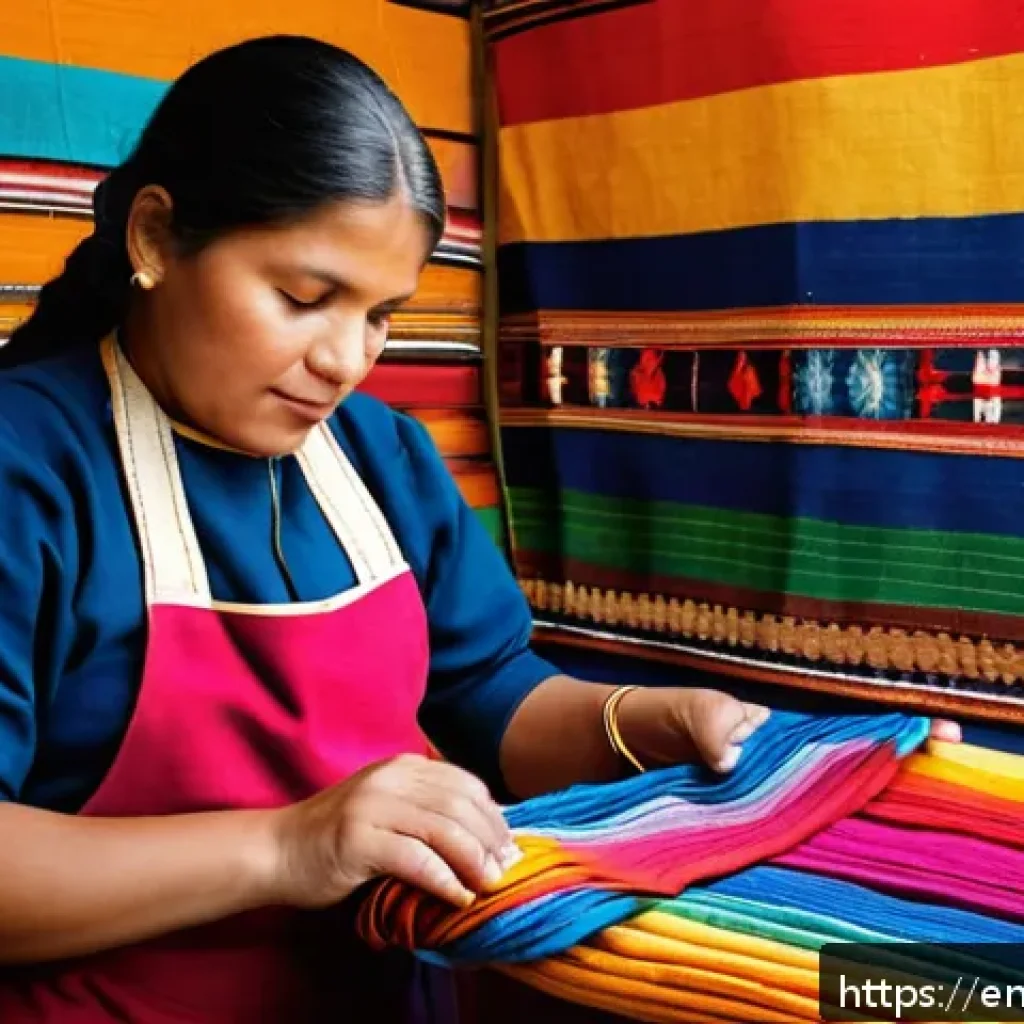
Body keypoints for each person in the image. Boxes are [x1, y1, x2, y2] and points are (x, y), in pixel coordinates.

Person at [0, 35, 960, 1024]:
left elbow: (491, 699)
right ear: (157, 239)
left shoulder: (379, 456)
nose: (344, 360)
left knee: (949, 1002)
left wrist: (640, 725)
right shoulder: (29, 465)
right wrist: (290, 846)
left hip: (389, 1000)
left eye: (379, 315)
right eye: (302, 297)